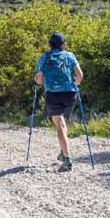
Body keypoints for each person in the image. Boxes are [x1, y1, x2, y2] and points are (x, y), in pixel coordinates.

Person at [34, 32, 84, 172]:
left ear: (50, 44)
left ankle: (67, 159)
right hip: (70, 94)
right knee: (62, 123)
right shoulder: (70, 55)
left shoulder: (45, 57)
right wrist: (73, 84)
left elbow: (39, 80)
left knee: (60, 125)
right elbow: (80, 76)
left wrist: (37, 81)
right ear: (63, 44)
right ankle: (63, 152)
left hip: (53, 94)